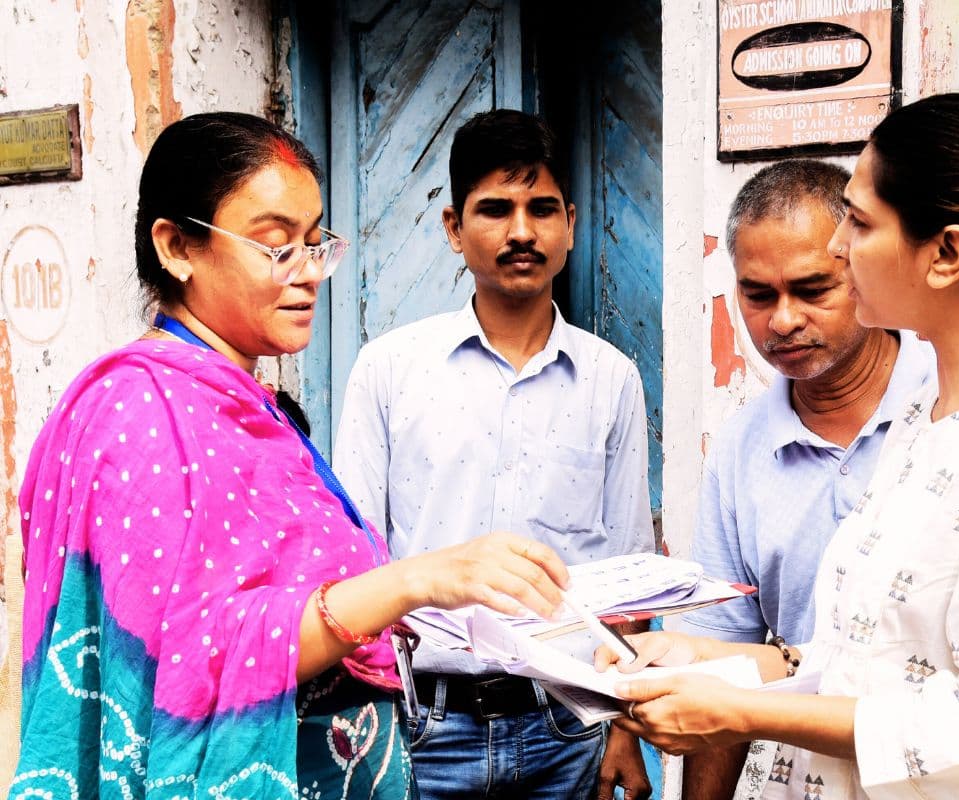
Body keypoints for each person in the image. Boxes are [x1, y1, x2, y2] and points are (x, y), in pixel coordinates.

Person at [598, 93, 959, 800]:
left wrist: (741, 712)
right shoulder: (928, 411)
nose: (839, 246)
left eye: (859, 221)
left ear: (947, 254)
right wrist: (706, 660)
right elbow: (869, 662)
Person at [14, 112, 572, 798]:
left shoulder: (245, 406)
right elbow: (197, 652)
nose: (309, 274)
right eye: (277, 247)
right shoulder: (142, 414)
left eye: (314, 244)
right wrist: (415, 581)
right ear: (178, 246)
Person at [334, 109, 655, 800]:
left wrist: (624, 729)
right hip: (421, 730)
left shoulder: (612, 379)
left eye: (542, 209)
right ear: (454, 228)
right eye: (495, 209)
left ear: (570, 223)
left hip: (567, 731)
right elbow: (351, 562)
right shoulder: (389, 370)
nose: (521, 231)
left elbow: (629, 572)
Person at [674, 160, 933, 799]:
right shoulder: (741, 451)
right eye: (758, 295)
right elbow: (723, 667)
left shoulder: (953, 403)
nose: (783, 320)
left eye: (813, 289)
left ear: (862, 268)